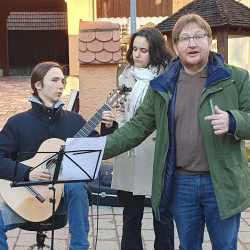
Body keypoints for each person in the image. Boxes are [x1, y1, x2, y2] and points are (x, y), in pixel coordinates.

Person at [103, 13, 250, 250]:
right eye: (184, 38)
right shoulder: (163, 85)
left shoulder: (236, 78)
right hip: (182, 183)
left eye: (199, 36)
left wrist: (234, 121)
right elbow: (137, 127)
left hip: (221, 182)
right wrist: (97, 149)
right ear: (175, 45)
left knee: (225, 246)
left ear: (209, 41)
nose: (192, 43)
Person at [0, 61, 116, 250]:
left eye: (62, 80)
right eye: (54, 80)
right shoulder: (17, 123)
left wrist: (107, 128)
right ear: (38, 85)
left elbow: (99, 149)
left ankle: (79, 247)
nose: (61, 85)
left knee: (77, 186)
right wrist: (27, 173)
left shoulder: (74, 121)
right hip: (26, 198)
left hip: (64, 202)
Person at [111, 27, 174, 250]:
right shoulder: (125, 75)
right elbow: (120, 108)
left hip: (155, 152)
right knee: (130, 214)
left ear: (155, 52)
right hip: (129, 152)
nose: (137, 54)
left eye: (143, 50)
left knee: (162, 214)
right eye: (134, 49)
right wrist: (114, 116)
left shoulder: (167, 78)